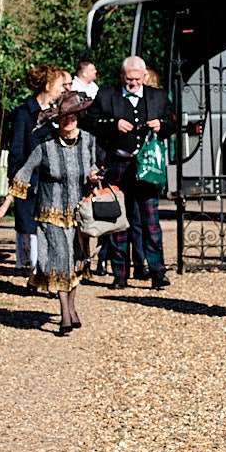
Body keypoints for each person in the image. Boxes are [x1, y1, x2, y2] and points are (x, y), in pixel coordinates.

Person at [8, 92, 103, 334]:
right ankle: (64, 314)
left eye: (72, 117)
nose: (68, 121)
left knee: (76, 262)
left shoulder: (90, 142)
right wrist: (9, 201)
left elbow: (91, 168)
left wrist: (94, 177)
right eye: (63, 118)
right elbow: (24, 172)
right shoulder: (45, 147)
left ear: (78, 117)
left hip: (79, 214)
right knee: (61, 260)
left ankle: (72, 308)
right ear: (57, 121)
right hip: (51, 214)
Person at [88, 55, 172, 289]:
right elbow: (89, 121)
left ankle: (157, 272)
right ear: (121, 76)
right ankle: (120, 274)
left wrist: (161, 126)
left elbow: (172, 124)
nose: (132, 83)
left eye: (136, 79)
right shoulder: (106, 96)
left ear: (144, 77)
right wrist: (113, 124)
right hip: (118, 165)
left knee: (150, 222)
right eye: (128, 79)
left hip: (147, 169)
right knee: (118, 222)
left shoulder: (158, 97)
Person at [4, 66, 67, 273]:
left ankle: (48, 273)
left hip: (53, 182)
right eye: (59, 86)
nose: (62, 90)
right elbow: (16, 150)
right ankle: (35, 273)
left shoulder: (59, 113)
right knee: (32, 231)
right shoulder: (23, 114)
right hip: (32, 182)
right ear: (48, 86)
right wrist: (19, 179)